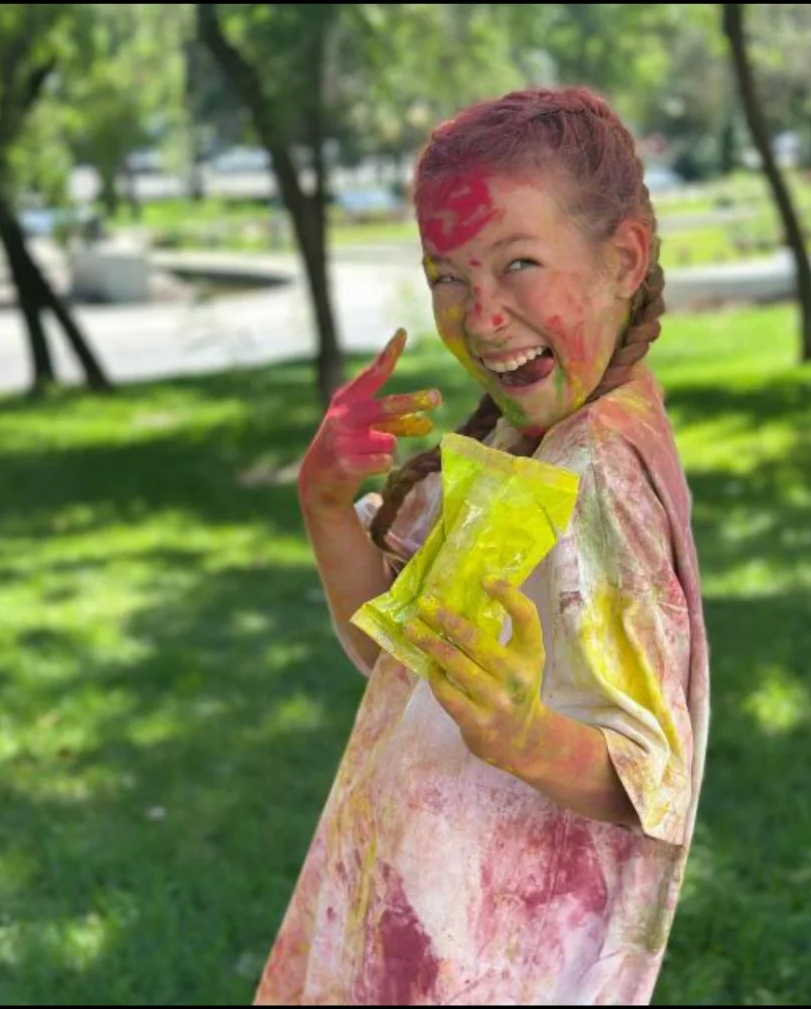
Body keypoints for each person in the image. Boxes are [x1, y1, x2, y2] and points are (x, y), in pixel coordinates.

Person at [256, 86, 710, 1007]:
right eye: (447, 277)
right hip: (416, 916)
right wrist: (327, 502)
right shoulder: (527, 436)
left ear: (623, 258)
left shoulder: (597, 470)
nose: (481, 314)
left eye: (519, 263)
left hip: (495, 958)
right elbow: (397, 657)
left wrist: (524, 736)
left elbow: (652, 776)